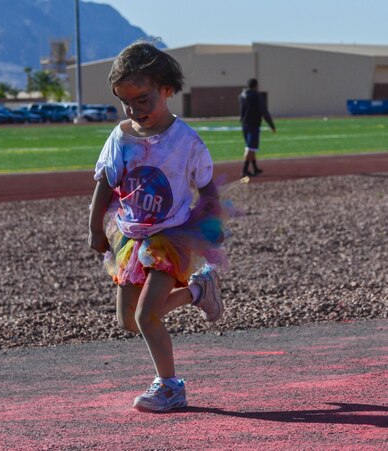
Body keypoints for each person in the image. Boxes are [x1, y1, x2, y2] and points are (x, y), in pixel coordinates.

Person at [88, 41, 228, 413]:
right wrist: (95, 229)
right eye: (126, 101)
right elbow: (105, 182)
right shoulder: (120, 137)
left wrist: (212, 222)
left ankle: (169, 386)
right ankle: (198, 293)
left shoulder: (186, 142)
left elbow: (208, 187)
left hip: (171, 234)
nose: (135, 109)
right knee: (129, 322)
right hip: (130, 236)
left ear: (167, 89)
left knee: (146, 316)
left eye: (143, 99)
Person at [239, 78, 276, 177]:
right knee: (250, 148)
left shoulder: (242, 96)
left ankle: (255, 168)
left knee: (252, 147)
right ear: (256, 86)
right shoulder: (257, 96)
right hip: (254, 125)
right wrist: (271, 125)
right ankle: (244, 170)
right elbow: (264, 111)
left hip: (244, 124)